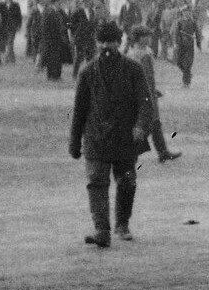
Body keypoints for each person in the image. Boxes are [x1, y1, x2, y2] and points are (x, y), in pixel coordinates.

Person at [68, 19, 152, 248]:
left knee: (126, 182)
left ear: (119, 42)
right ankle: (101, 229)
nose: (107, 46)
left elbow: (146, 103)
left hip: (125, 137)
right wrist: (74, 143)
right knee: (96, 182)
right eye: (103, 42)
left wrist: (140, 127)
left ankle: (122, 224)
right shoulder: (87, 73)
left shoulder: (133, 69)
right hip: (95, 138)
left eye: (112, 42)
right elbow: (79, 110)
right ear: (97, 43)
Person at [123, 25, 182, 162]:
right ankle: (131, 153)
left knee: (154, 124)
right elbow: (147, 77)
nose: (149, 38)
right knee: (148, 123)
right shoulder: (144, 55)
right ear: (140, 38)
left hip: (137, 92)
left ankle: (163, 152)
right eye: (146, 36)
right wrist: (151, 93)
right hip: (145, 94)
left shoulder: (132, 52)